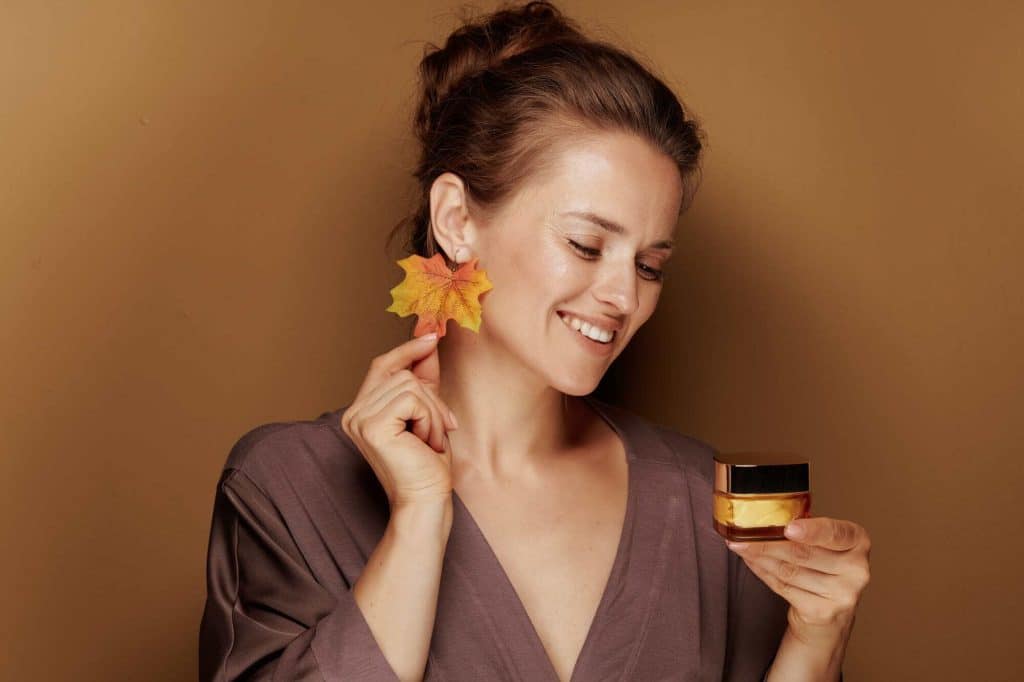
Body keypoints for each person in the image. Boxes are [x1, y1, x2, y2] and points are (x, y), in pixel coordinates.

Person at [198, 2, 870, 680]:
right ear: (457, 218)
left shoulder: (703, 501)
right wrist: (418, 523)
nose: (625, 297)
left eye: (649, 265)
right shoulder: (287, 488)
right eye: (586, 244)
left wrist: (817, 638)